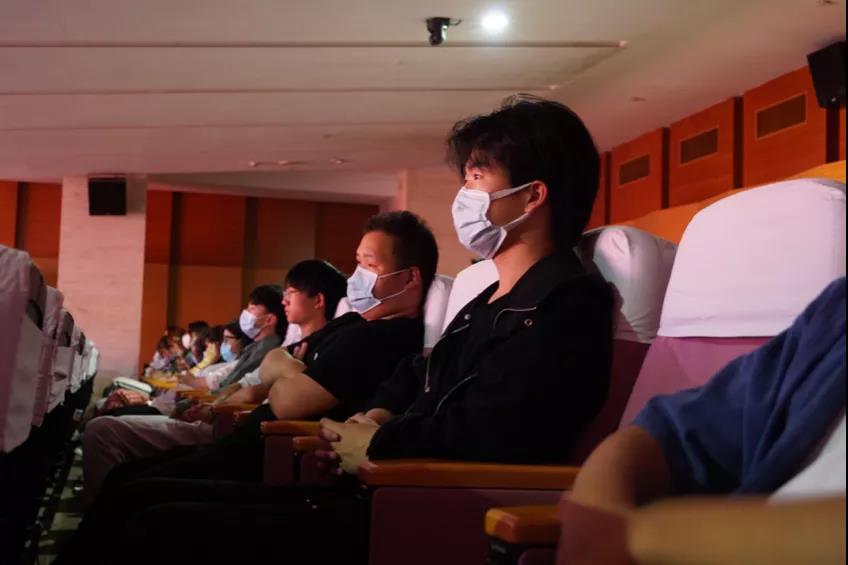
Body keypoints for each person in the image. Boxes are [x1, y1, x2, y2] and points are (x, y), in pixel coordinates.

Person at [55, 96, 614, 563]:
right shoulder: (489, 297)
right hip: (375, 486)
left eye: (477, 175)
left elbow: (499, 431)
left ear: (533, 195)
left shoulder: (568, 301)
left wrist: (379, 442)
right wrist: (371, 419)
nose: (463, 192)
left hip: (419, 508)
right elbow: (417, 377)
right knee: (136, 497)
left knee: (152, 522)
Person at [569, 277, 846, 514]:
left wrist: (643, 536)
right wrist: (599, 505)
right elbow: (672, 432)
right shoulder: (834, 317)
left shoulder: (575, 296)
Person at [79, 285, 286, 505]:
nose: (247, 313)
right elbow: (231, 386)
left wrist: (209, 402)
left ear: (270, 319)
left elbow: (229, 388)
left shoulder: (270, 350)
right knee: (108, 421)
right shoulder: (256, 349)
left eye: (252, 308)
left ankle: (102, 507)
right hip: (197, 409)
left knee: (102, 430)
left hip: (214, 422)